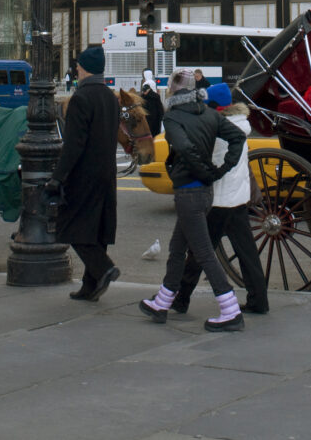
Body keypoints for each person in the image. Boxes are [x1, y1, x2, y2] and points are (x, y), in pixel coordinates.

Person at [139, 68, 246, 332]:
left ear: (174, 91)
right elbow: (238, 137)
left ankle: (230, 309)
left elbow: (184, 148)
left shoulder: (173, 118)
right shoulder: (209, 114)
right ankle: (163, 301)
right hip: (204, 194)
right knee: (177, 248)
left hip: (189, 191)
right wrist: (221, 170)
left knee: (204, 253)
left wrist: (205, 171)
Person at [172, 83, 268, 316]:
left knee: (199, 251)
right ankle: (259, 299)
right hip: (238, 197)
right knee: (247, 251)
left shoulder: (217, 130)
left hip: (218, 199)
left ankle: (181, 297)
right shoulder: (241, 126)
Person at [45, 46, 121, 302]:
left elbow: (74, 144)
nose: (75, 68)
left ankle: (103, 267)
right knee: (97, 228)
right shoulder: (110, 97)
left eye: (78, 65)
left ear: (85, 68)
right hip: (106, 174)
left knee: (72, 226)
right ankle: (90, 286)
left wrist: (57, 177)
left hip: (84, 175)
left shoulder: (81, 98)